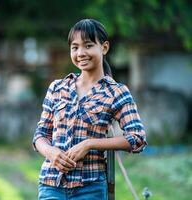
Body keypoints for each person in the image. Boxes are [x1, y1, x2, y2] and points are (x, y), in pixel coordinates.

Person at [32, 19, 147, 200]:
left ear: (104, 47)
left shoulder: (116, 92)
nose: (80, 53)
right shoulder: (57, 88)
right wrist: (50, 152)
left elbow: (137, 138)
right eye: (75, 47)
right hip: (51, 185)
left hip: (90, 188)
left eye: (88, 45)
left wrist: (89, 144)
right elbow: (40, 134)